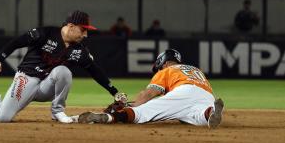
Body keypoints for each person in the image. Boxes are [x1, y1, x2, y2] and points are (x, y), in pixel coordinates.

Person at [0, 10, 123, 124]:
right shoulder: (45, 33)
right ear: (71, 26)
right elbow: (17, 42)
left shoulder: (79, 50)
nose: (85, 34)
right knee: (3, 118)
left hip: (46, 87)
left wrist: (115, 92)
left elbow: (94, 70)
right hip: (27, 78)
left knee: (63, 72)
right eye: (83, 29)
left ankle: (57, 111)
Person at [78, 49, 224, 129]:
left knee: (143, 112)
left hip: (184, 91)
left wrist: (130, 105)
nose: (158, 70)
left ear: (165, 63)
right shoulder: (195, 69)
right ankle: (209, 112)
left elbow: (149, 93)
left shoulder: (167, 70)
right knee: (193, 117)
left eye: (159, 67)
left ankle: (110, 118)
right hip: (208, 96)